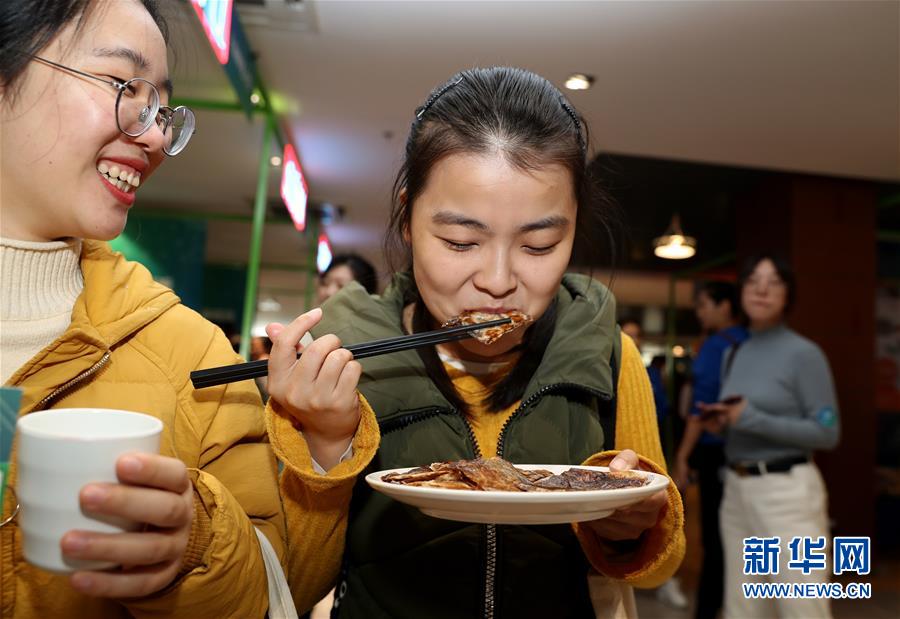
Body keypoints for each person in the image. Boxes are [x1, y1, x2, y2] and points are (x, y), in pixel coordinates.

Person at [264, 67, 685, 618]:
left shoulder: (604, 348)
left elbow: (660, 566)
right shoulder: (338, 360)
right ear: (409, 217)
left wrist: (630, 525)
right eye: (461, 242)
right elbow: (291, 586)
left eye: (539, 245)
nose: (498, 279)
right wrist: (325, 444)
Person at [0, 1, 286, 616]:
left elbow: (277, 583)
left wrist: (196, 546)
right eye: (122, 87)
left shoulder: (195, 355)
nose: (155, 136)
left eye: (160, 107)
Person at [700, 254, 839, 619]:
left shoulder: (805, 354)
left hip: (786, 494)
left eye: (774, 281)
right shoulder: (734, 352)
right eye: (753, 280)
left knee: (801, 606)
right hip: (736, 489)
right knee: (742, 607)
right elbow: (744, 418)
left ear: (788, 294)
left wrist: (751, 418)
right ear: (742, 290)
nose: (762, 288)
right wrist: (726, 422)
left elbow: (827, 433)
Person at [673, 281, 748, 619]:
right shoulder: (753, 342)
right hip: (750, 453)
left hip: (716, 451)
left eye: (704, 304)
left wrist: (683, 456)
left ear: (725, 307)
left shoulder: (717, 345)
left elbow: (699, 412)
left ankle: (707, 609)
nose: (699, 312)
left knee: (716, 538)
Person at [620, 318, 688, 611]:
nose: (632, 341)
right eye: (628, 335)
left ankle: (664, 584)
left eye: (637, 336)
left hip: (653, 442)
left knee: (660, 515)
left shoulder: (647, 372)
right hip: (622, 451)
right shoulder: (614, 364)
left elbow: (664, 408)